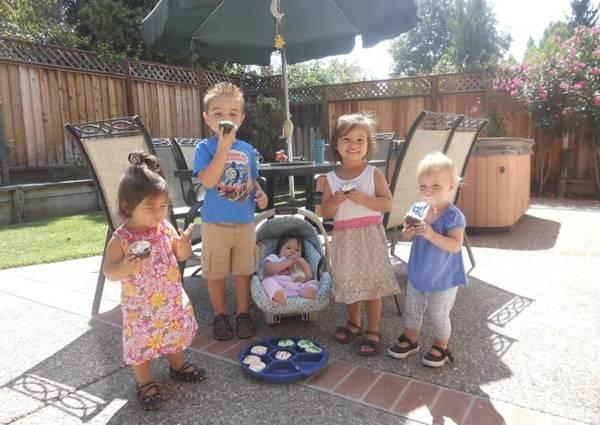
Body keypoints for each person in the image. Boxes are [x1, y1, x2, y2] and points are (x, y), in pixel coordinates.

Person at [103, 152, 205, 411]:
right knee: (141, 343)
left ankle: (177, 365)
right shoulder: (122, 238)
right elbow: (109, 271)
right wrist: (123, 267)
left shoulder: (165, 228)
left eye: (162, 206)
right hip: (140, 308)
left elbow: (180, 256)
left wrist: (184, 245)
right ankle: (145, 381)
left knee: (174, 333)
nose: (158, 213)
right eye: (150, 208)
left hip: (170, 299)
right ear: (128, 206)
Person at [193, 82, 268, 341]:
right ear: (207, 119)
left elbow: (251, 178)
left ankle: (243, 313)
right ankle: (220, 315)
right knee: (215, 273)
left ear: (241, 119)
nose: (226, 119)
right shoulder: (205, 148)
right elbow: (208, 181)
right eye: (218, 114)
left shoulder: (246, 149)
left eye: (233, 114)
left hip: (244, 223)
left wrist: (259, 193)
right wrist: (223, 148)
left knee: (243, 271)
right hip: (215, 224)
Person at [321, 113, 400, 356]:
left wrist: (364, 199)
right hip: (345, 238)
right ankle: (354, 323)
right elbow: (325, 212)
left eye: (359, 140)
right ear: (336, 144)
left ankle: (373, 328)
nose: (353, 145)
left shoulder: (372, 174)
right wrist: (334, 201)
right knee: (349, 281)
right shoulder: (329, 179)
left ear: (367, 145)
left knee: (372, 283)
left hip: (369, 237)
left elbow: (387, 203)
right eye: (346, 139)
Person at [387, 151, 467, 368]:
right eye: (423, 186)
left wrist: (431, 235)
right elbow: (406, 236)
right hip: (418, 272)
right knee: (412, 309)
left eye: (436, 186)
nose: (428, 191)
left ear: (451, 185)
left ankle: (441, 345)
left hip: (443, 277)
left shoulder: (453, 216)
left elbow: (455, 245)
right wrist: (408, 231)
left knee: (438, 313)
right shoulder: (417, 209)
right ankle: (410, 339)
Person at [261, 232, 319, 305]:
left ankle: (307, 292)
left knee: (314, 282)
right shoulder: (275, 258)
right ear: (279, 250)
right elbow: (267, 269)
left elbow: (308, 278)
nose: (292, 251)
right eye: (288, 248)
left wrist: (305, 265)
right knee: (267, 282)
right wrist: (286, 263)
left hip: (296, 287)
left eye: (297, 250)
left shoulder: (299, 264)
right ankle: (278, 295)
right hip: (278, 285)